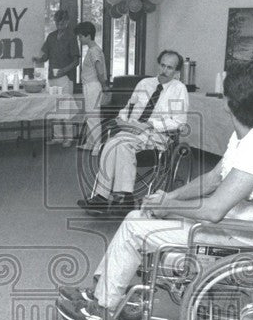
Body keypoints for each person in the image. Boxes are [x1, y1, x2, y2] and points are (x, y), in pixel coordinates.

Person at [58, 61, 253, 320]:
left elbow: (214, 210)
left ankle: (100, 312)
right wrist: (170, 195)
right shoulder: (248, 136)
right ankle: (99, 293)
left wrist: (168, 207)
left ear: (228, 102)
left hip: (233, 236)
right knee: (136, 216)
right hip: (227, 225)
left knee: (133, 229)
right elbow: (214, 178)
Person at [76, 50, 189, 214]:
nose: (164, 71)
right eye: (162, 65)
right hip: (131, 129)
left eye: (169, 68)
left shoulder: (179, 89)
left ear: (176, 71)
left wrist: (151, 124)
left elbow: (179, 122)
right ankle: (115, 197)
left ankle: (114, 198)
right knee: (111, 143)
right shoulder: (144, 84)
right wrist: (121, 119)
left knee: (119, 145)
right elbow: (128, 108)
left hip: (157, 135)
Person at [33, 9, 80, 147]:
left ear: (67, 22)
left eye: (62, 23)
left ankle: (69, 138)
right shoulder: (51, 36)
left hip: (65, 77)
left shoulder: (71, 37)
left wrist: (64, 70)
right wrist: (38, 59)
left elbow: (76, 61)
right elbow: (45, 56)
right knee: (54, 108)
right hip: (52, 78)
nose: (59, 25)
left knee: (65, 108)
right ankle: (58, 137)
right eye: (57, 23)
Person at [75, 21, 109, 151]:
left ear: (88, 36)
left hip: (93, 86)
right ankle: (90, 144)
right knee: (90, 116)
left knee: (93, 117)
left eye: (80, 36)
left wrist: (104, 86)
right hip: (90, 86)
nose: (79, 39)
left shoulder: (94, 50)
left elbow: (99, 70)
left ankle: (98, 146)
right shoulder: (93, 49)